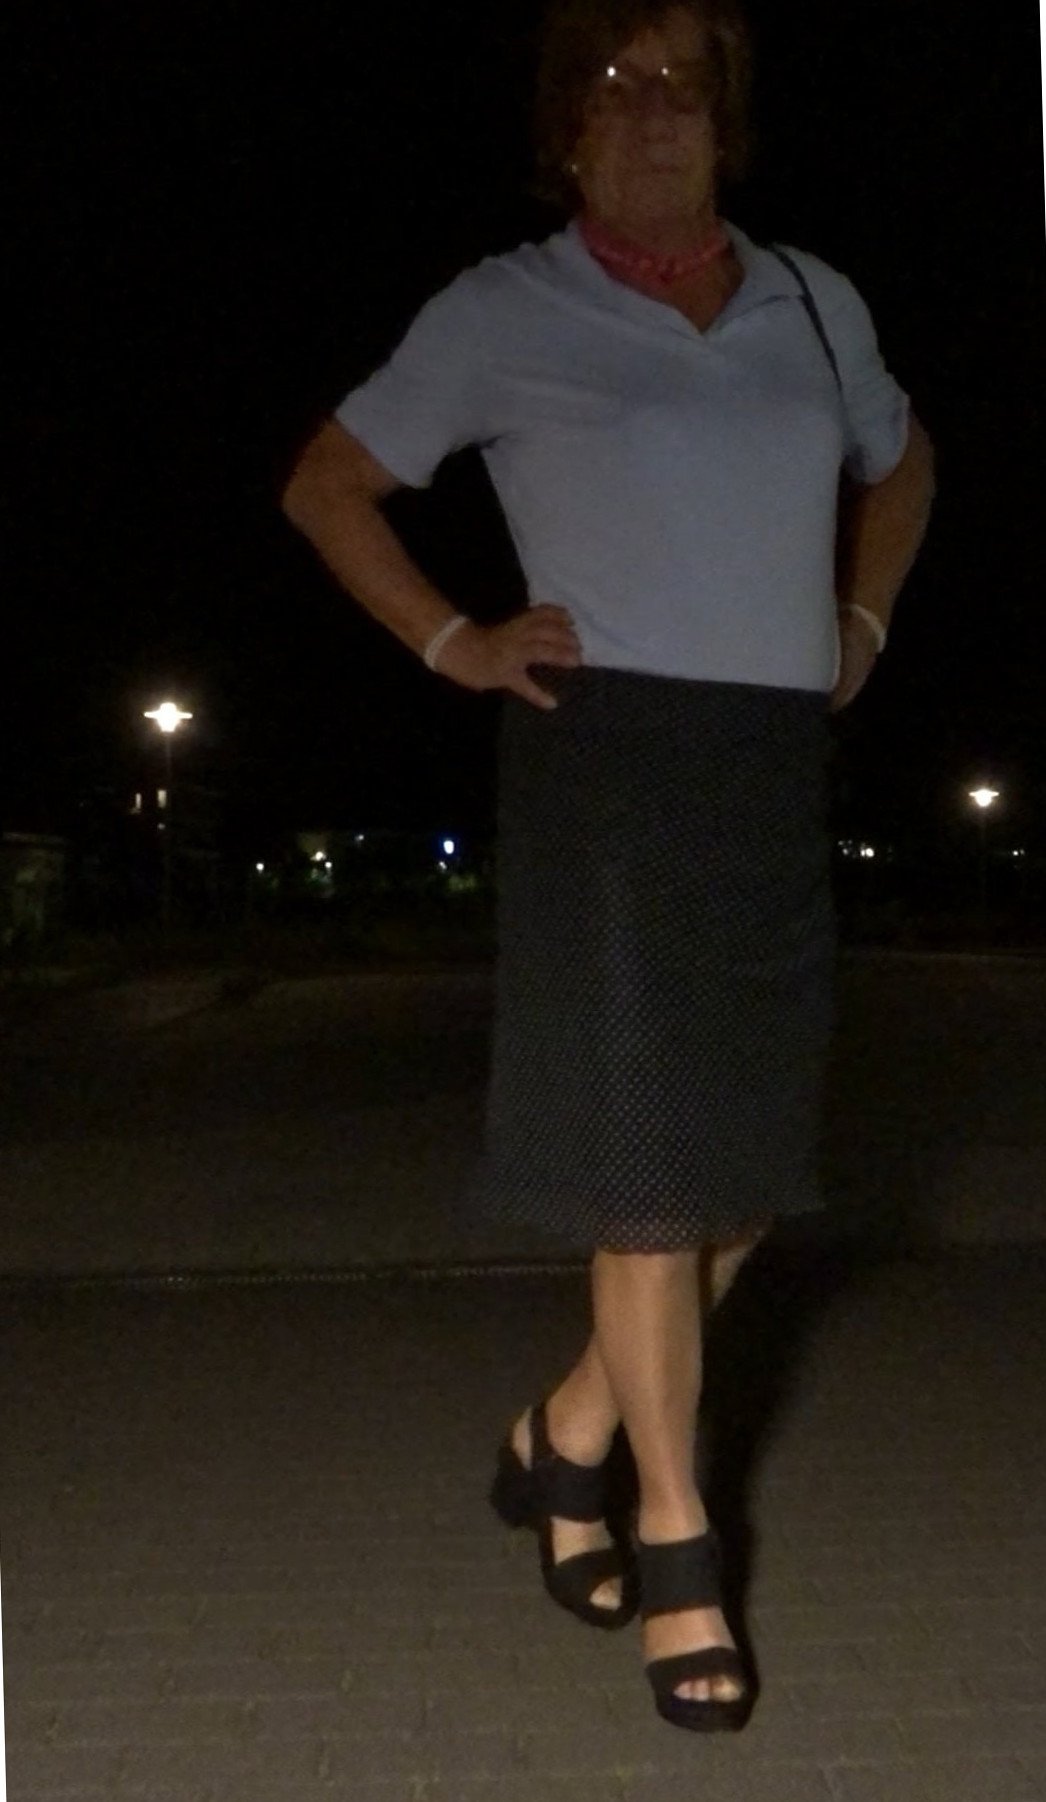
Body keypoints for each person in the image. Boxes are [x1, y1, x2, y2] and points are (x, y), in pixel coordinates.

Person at [281, 0, 936, 1733]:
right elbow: (328, 486)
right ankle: (672, 1538)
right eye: (615, 89)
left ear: (728, 123)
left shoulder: (812, 301)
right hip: (610, 764)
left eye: (684, 89)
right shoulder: (503, 308)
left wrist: (861, 614)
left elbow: (901, 461)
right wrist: (454, 639)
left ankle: (563, 1430)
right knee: (648, 1179)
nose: (652, 114)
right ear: (566, 129)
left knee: (743, 1181)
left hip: (767, 767)